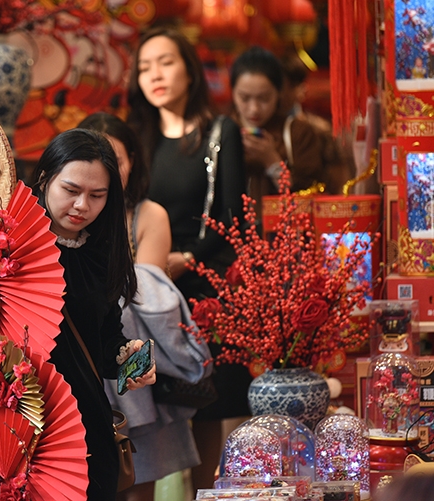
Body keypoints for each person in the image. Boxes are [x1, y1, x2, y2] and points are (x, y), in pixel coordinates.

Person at [126, 26, 250, 493]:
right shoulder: (134, 136)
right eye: (144, 67)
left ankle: (202, 493)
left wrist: (187, 259)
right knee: (140, 401)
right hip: (138, 291)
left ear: (190, 69)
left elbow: (234, 218)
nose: (154, 74)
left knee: (204, 405)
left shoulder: (219, 133)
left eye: (165, 62)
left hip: (199, 287)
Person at [79, 112, 208, 501]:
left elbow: (147, 290)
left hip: (132, 353)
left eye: (115, 160)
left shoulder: (148, 214)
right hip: (86, 357)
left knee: (139, 474)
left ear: (133, 160)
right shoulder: (75, 212)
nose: (105, 172)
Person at [30, 127, 156, 500]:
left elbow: (103, 347)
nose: (82, 205)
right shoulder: (8, 246)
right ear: (44, 179)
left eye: (97, 196)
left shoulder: (101, 253)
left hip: (85, 426)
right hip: (21, 424)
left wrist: (128, 358)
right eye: (70, 191)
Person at [230, 46, 324, 216]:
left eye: (264, 98)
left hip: (283, 235)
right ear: (233, 93)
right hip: (233, 234)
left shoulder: (298, 132)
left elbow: (310, 196)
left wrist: (272, 161)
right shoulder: (221, 131)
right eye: (244, 98)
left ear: (278, 93)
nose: (254, 109)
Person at [280, 54, 354, 194]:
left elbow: (339, 180)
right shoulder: (265, 128)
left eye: (285, 87)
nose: (279, 94)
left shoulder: (319, 130)